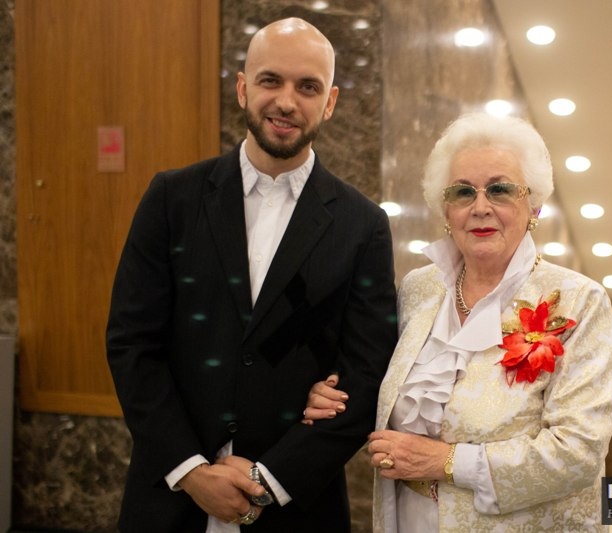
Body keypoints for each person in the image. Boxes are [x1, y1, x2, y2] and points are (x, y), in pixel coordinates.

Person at [106, 17, 398, 532]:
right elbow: (132, 344)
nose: (286, 101)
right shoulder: (172, 199)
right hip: (170, 501)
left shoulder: (363, 225)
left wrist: (270, 480)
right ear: (243, 88)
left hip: (295, 509)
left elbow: (367, 373)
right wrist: (191, 471)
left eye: (307, 87)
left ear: (330, 102)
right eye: (270, 81)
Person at [304, 112, 612, 531]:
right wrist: (331, 394)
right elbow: (374, 380)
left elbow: (578, 451)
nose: (481, 207)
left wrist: (448, 461)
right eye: (462, 192)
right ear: (446, 210)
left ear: (535, 206)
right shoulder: (419, 290)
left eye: (501, 190)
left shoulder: (580, 301)